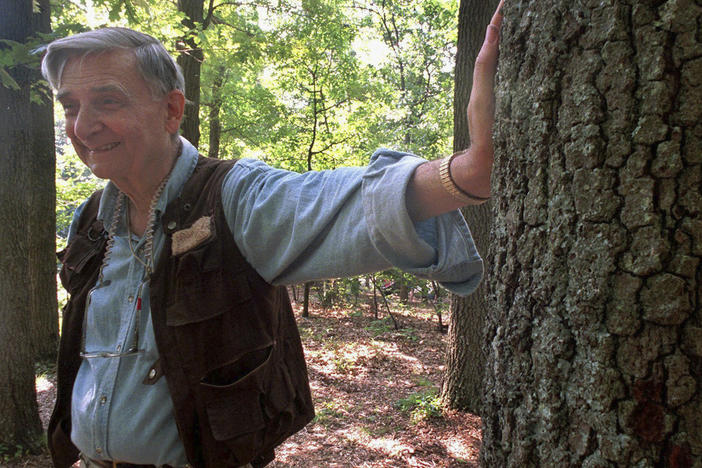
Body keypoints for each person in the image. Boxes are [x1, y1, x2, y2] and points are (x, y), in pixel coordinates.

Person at [42, 4, 503, 468]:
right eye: (71, 106)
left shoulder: (231, 199)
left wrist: (467, 173)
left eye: (108, 101)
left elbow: (334, 201)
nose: (82, 127)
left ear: (171, 110)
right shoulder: (91, 220)